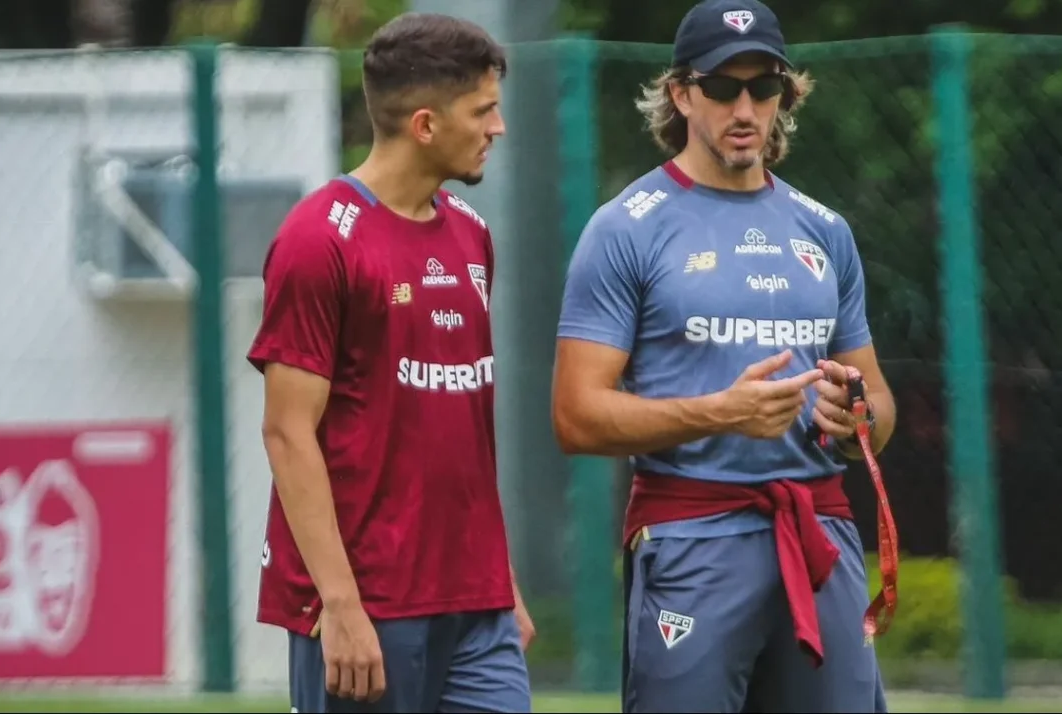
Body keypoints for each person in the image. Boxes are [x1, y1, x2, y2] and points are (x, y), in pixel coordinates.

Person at [551, 0, 898, 711]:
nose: (745, 108)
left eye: (763, 88)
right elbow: (576, 417)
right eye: (721, 87)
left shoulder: (824, 231)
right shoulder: (624, 229)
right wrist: (721, 413)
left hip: (818, 538)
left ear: (784, 96)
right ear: (681, 94)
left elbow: (880, 409)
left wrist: (851, 414)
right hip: (692, 536)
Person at [246, 12, 534, 714]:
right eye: (484, 110)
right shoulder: (318, 240)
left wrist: (502, 586)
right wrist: (339, 604)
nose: (498, 128)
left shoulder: (472, 236)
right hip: (366, 605)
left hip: (477, 606)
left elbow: (457, 432)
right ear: (426, 125)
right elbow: (288, 433)